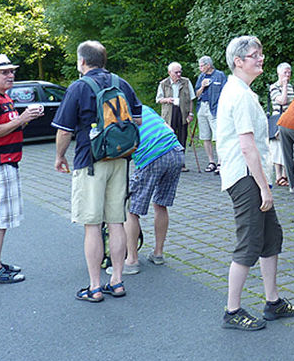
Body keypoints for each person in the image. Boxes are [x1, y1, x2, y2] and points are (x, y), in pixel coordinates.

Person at [216, 35, 294, 330]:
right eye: (254, 55)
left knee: (270, 238)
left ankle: (273, 302)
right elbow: (247, 147)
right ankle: (232, 310)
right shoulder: (238, 95)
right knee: (248, 243)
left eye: (261, 53)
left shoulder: (243, 91)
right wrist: (265, 188)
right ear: (238, 62)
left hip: (252, 175)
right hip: (246, 178)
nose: (261, 58)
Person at [53, 41, 142, 302]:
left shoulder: (79, 87)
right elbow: (137, 119)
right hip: (120, 159)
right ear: (103, 59)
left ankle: (94, 286)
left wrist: (59, 156)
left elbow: (64, 130)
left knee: (92, 225)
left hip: (90, 162)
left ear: (82, 61)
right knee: (116, 222)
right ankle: (116, 281)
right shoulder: (121, 83)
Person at [0, 54, 44, 284]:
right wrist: (20, 119)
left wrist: (25, 120)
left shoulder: (2, 97)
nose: (10, 75)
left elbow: (6, 127)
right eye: (4, 72)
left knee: (1, 218)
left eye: (12, 71)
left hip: (5, 163)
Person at [120, 105, 184, 270]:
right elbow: (168, 127)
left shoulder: (118, 113)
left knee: (131, 209)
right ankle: (158, 253)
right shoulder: (144, 108)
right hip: (176, 151)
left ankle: (132, 260)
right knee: (160, 203)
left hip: (151, 157)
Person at [156, 62, 194, 171]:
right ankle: (169, 163)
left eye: (180, 72)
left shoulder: (186, 82)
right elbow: (158, 99)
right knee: (169, 137)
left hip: (182, 112)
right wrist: (167, 100)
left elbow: (191, 99)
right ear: (169, 73)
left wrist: (191, 114)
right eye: (176, 72)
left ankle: (181, 163)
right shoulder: (163, 83)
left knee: (182, 137)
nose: (178, 74)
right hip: (169, 113)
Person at [195, 56, 226, 173]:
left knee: (218, 136)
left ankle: (221, 163)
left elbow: (225, 92)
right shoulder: (201, 77)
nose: (200, 68)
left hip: (215, 109)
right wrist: (202, 86)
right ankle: (211, 161)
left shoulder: (220, 75)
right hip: (202, 107)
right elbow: (197, 94)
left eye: (201, 65)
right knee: (205, 136)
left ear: (208, 65)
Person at [268, 62, 294, 187]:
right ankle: (278, 176)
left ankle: (286, 175)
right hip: (278, 120)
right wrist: (284, 86)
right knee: (277, 148)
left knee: (288, 147)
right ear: (279, 73)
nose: (288, 74)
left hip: (288, 120)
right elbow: (282, 100)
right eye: (285, 72)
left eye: (289, 72)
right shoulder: (274, 87)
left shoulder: (290, 86)